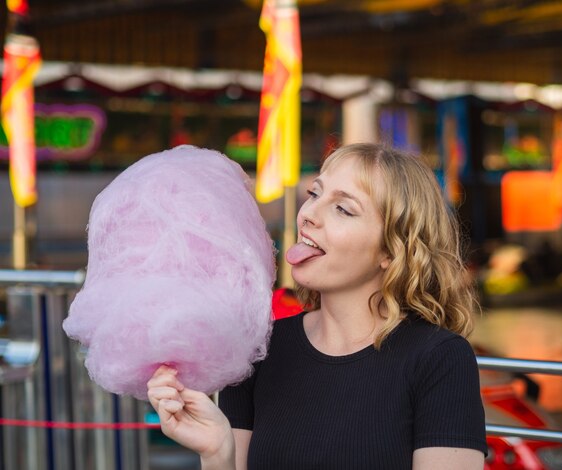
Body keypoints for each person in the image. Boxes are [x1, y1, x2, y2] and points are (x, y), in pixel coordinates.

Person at [147, 143, 487, 469]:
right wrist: (217, 452)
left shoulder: (440, 359)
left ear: (391, 251)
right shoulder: (258, 350)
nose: (308, 214)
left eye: (343, 208)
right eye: (314, 194)